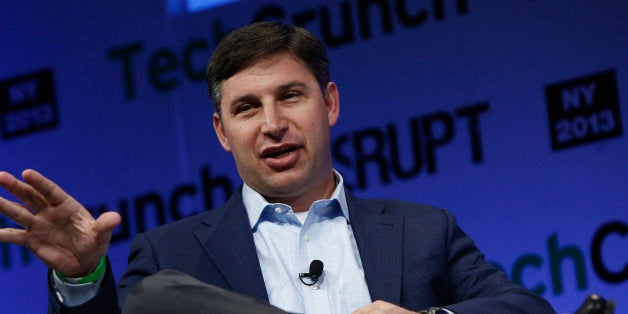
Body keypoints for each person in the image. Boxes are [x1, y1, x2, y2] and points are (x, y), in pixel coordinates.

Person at [0, 22, 555, 314]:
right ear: (222, 132)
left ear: (330, 104)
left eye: (290, 96)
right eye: (246, 108)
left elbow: (525, 309)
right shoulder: (171, 257)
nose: (272, 123)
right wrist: (80, 278)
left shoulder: (423, 231)